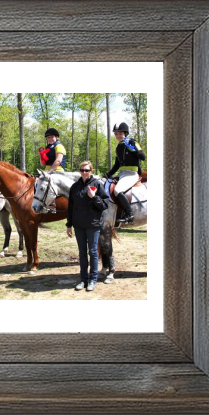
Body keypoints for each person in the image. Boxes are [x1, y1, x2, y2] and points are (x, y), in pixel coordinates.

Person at [66, 161, 109, 292]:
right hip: (79, 225)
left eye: (87, 170)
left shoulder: (97, 184)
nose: (84, 172)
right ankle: (83, 280)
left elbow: (104, 205)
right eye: (82, 170)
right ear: (79, 171)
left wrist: (94, 197)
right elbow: (70, 207)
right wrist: (69, 225)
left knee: (93, 252)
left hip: (93, 225)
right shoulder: (75, 186)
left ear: (91, 171)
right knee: (82, 253)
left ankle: (93, 280)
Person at [104, 122, 145, 224]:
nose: (118, 136)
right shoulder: (118, 147)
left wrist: (134, 150)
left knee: (117, 190)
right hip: (122, 174)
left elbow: (142, 157)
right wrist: (108, 174)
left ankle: (129, 214)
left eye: (120, 133)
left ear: (125, 133)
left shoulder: (132, 142)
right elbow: (117, 164)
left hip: (132, 174)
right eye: (116, 134)